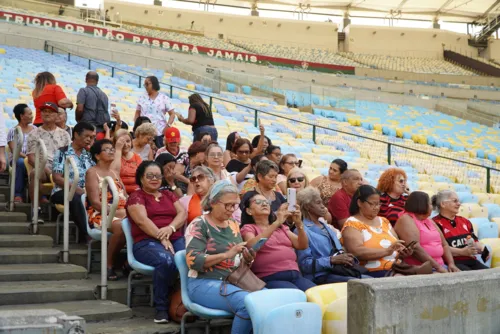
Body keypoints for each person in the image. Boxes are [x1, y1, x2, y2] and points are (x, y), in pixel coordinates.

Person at [185, 181, 255, 334]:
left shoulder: (233, 224)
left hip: (233, 281)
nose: (231, 210)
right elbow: (193, 261)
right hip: (203, 283)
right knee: (247, 304)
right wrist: (226, 255)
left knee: (267, 300)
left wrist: (247, 258)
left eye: (234, 205)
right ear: (213, 202)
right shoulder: (199, 224)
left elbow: (236, 258)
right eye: (227, 205)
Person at [127, 161, 187, 323]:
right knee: (166, 261)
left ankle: (184, 303)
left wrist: (170, 229)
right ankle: (161, 308)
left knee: (188, 259)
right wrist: (162, 237)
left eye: (158, 176)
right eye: (150, 176)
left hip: (174, 237)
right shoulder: (136, 197)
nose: (155, 179)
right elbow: (142, 221)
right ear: (141, 178)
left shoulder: (168, 194)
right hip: (146, 242)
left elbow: (182, 213)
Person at [241, 193, 314, 291]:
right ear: (249, 211)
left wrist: (298, 224)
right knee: (296, 295)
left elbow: (302, 245)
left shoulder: (282, 228)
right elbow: (252, 245)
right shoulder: (249, 227)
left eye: (266, 202)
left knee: (316, 294)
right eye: (258, 202)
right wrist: (277, 222)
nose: (264, 204)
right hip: (270, 276)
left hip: (295, 275)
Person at [296, 187, 369, 283]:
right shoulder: (301, 230)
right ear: (307, 207)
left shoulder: (325, 226)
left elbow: (337, 252)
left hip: (339, 271)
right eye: (318, 203)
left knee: (373, 280)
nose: (323, 207)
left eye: (322, 202)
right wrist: (331, 260)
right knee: (366, 283)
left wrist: (346, 257)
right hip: (320, 276)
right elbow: (304, 265)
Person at [342, 185, 412, 277]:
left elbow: (396, 246)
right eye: (372, 204)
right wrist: (387, 251)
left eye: (379, 204)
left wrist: (403, 252)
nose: (376, 207)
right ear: (359, 203)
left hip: (396, 267)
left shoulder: (384, 221)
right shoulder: (352, 224)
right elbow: (357, 252)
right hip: (372, 271)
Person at [86, 139, 128, 280]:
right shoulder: (92, 172)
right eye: (107, 149)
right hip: (100, 213)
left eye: (112, 149)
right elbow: (95, 203)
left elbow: (126, 197)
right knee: (122, 226)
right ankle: (108, 264)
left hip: (122, 212)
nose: (111, 151)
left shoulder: (114, 173)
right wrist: (116, 212)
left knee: (141, 223)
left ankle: (128, 263)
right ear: (97, 155)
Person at [394, 191, 460, 273]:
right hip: (422, 268)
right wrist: (438, 267)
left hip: (441, 265)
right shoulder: (406, 219)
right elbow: (415, 248)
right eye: (430, 204)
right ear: (421, 204)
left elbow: (444, 244)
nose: (432, 207)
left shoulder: (429, 220)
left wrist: (451, 264)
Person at [51, 122, 96, 242]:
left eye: (91, 138)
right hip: (63, 191)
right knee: (77, 198)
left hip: (87, 192)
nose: (89, 140)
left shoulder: (89, 155)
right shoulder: (62, 152)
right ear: (76, 135)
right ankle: (88, 234)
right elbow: (57, 178)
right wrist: (77, 189)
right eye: (87, 136)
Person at [27, 103, 71, 211]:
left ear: (57, 115)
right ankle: (36, 209)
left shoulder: (64, 134)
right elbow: (31, 157)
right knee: (35, 173)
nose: (46, 113)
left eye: (50, 111)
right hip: (43, 166)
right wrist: (45, 169)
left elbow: (69, 154)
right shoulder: (34, 133)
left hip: (61, 168)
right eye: (44, 111)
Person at [432, 190, 489, 271]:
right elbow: (439, 248)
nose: (459, 204)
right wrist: (462, 251)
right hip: (451, 263)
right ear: (443, 204)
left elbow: (475, 241)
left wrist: (482, 248)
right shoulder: (435, 223)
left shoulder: (465, 221)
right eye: (455, 201)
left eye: (458, 201)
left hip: (471, 260)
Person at [135, 76, 175, 148]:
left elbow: (172, 114)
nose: (145, 86)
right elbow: (137, 112)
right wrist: (136, 126)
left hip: (159, 132)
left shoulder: (164, 98)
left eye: (147, 84)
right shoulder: (142, 98)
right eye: (145, 85)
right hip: (144, 132)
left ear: (154, 84)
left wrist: (167, 126)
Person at [7, 104, 35, 203]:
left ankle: (41, 195)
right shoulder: (13, 131)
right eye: (30, 114)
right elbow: (14, 150)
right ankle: (18, 194)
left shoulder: (35, 129)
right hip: (19, 158)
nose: (32, 115)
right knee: (20, 162)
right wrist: (28, 157)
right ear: (22, 116)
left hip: (33, 158)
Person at [155, 127, 190, 193]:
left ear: (179, 140)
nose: (173, 144)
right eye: (171, 142)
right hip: (167, 181)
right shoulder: (160, 152)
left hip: (183, 180)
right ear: (166, 141)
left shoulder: (185, 150)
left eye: (175, 141)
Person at [113, 129, 142, 195]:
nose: (125, 145)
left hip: (137, 192)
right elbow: (114, 174)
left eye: (128, 141)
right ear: (115, 143)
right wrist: (118, 150)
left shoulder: (136, 157)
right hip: (119, 193)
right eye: (121, 142)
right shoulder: (112, 157)